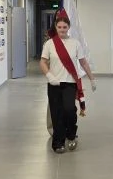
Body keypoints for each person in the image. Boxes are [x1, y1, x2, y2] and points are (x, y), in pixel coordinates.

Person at [40, 16, 97, 153]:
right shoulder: (49, 44)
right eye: (59, 27)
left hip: (70, 83)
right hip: (54, 83)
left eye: (64, 27)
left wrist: (92, 78)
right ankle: (58, 142)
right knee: (56, 113)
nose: (62, 30)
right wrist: (49, 76)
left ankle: (71, 135)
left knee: (70, 110)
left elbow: (83, 62)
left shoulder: (75, 43)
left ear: (68, 27)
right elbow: (43, 62)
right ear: (56, 27)